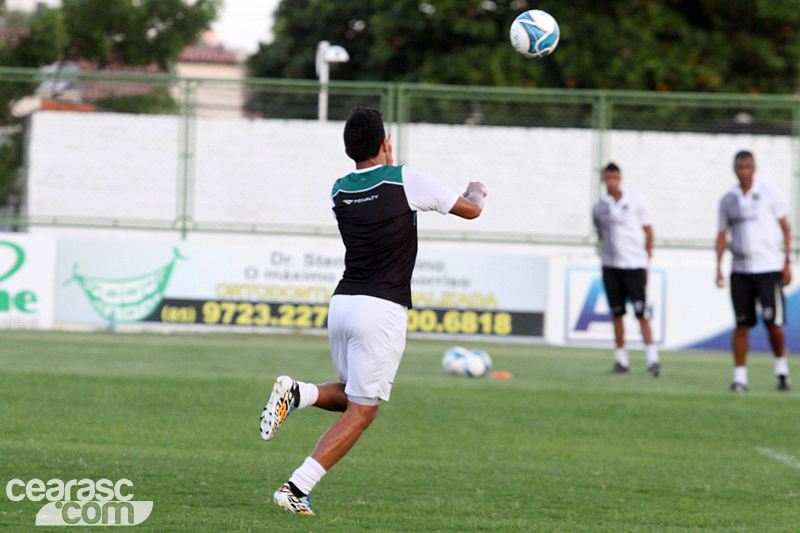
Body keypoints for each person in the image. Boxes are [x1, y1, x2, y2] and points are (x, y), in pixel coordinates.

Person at [259, 107, 487, 515]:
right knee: (363, 412)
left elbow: (375, 197)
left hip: (343, 303)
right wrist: (477, 190)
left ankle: (298, 392)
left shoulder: (338, 191)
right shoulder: (405, 179)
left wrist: (384, 161)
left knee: (352, 395)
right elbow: (471, 210)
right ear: (385, 143)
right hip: (380, 309)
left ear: (349, 149)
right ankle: (295, 488)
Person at [716, 150, 792, 392]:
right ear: (734, 169)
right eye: (740, 167)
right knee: (741, 324)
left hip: (768, 269)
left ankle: (781, 371)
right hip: (740, 271)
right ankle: (740, 378)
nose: (744, 171)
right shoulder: (728, 199)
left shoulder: (769, 194)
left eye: (748, 166)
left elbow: (786, 228)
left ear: (754, 168)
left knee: (773, 323)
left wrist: (787, 262)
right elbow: (721, 234)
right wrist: (718, 267)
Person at [592, 162, 661, 377]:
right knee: (617, 313)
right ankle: (621, 360)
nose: (611, 182)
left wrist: (646, 259)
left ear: (620, 179)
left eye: (615, 178)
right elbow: (601, 234)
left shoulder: (636, 200)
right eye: (608, 178)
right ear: (604, 180)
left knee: (641, 313)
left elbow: (649, 231)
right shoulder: (599, 207)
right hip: (611, 266)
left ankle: (653, 360)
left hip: (634, 265)